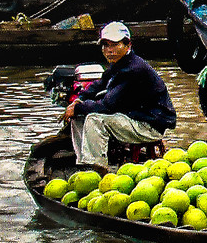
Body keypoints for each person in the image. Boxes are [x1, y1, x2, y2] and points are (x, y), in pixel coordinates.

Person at [62, 22, 177, 172]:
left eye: (114, 45)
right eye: (105, 45)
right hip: (133, 116)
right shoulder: (119, 63)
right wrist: (80, 99)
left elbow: (107, 106)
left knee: (95, 120)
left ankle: (97, 169)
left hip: (148, 125)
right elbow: (100, 83)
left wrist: (78, 107)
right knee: (78, 117)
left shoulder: (134, 69)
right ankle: (84, 162)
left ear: (127, 45)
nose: (109, 50)